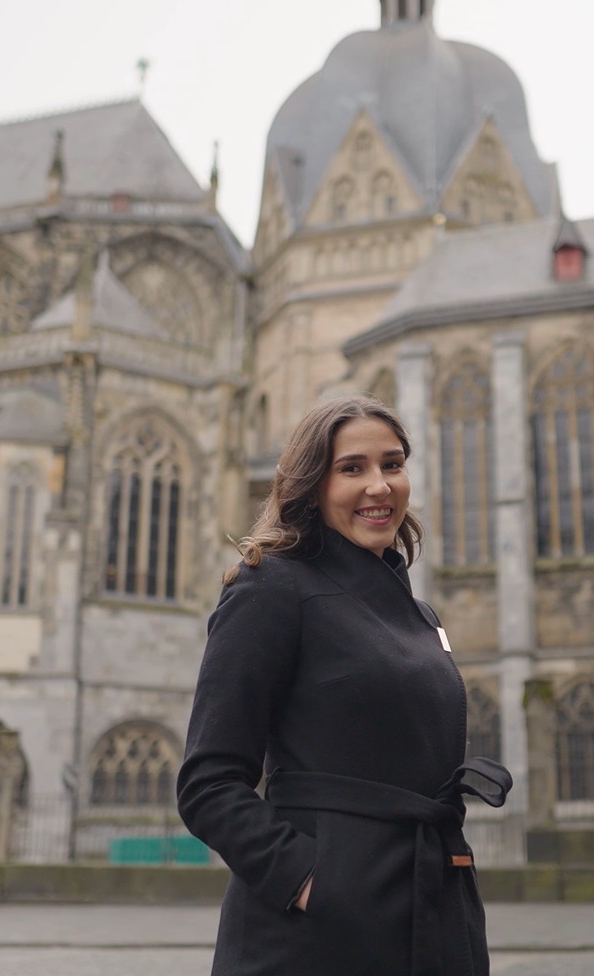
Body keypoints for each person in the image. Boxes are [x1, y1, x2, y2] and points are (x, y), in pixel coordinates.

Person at [178, 394, 511, 976]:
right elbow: (208, 784)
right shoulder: (271, 590)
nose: (379, 486)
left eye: (393, 464)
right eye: (351, 468)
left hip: (434, 900)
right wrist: (312, 880)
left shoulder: (421, 614)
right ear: (311, 486)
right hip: (317, 936)